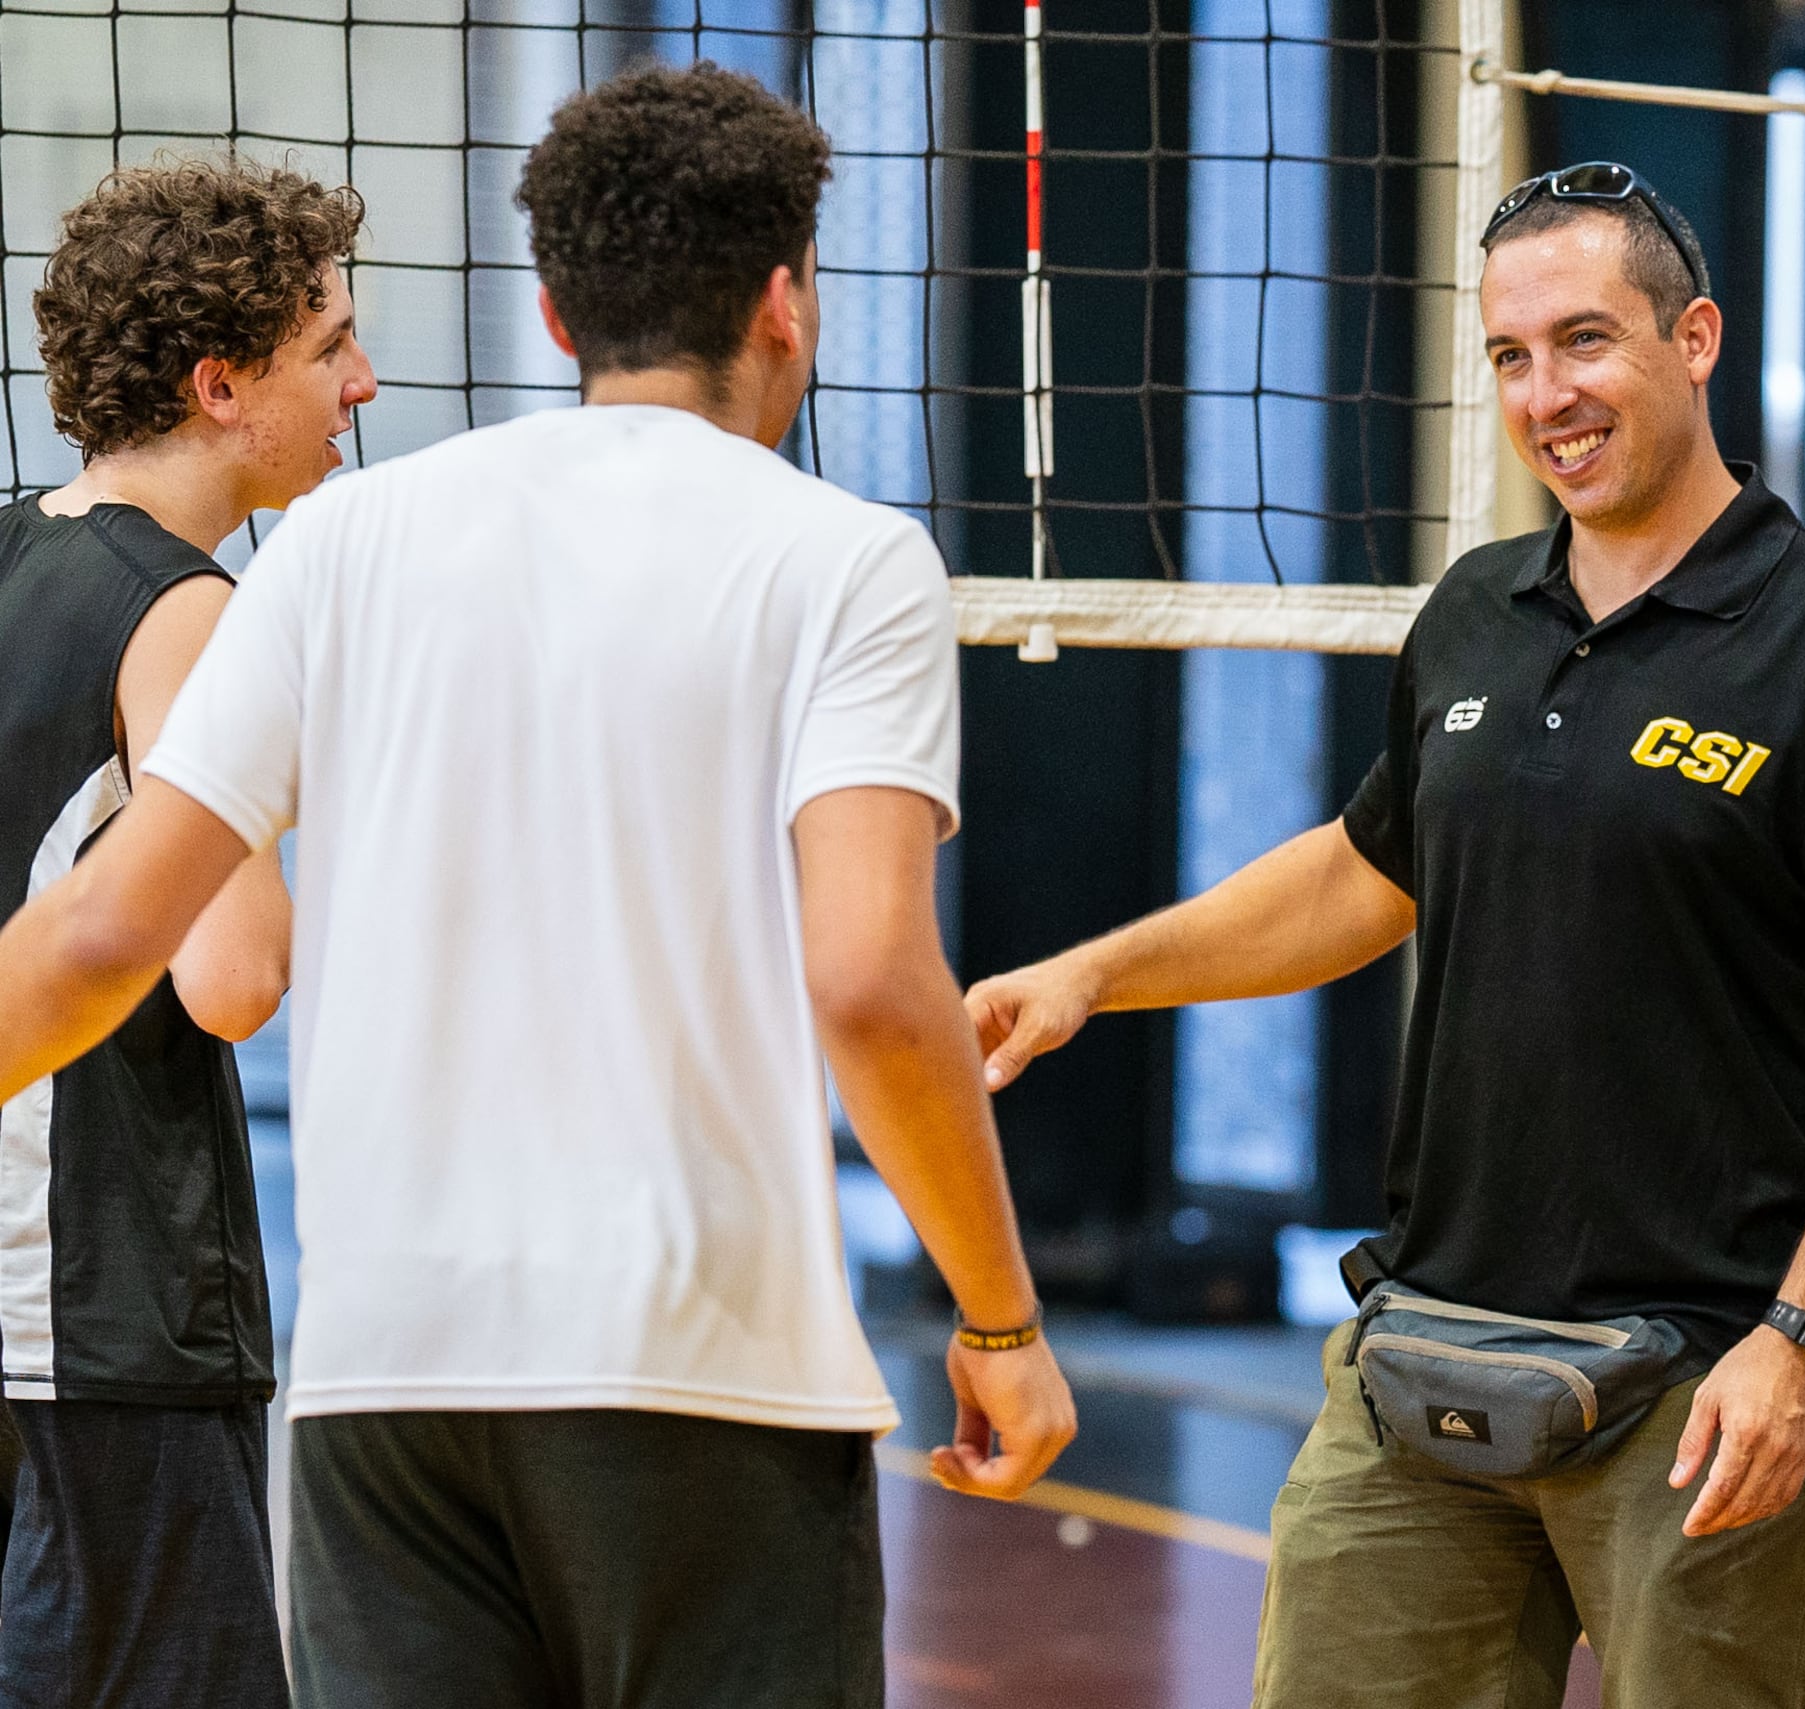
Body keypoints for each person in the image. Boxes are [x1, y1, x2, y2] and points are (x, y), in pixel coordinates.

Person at [0, 63, 1074, 1709]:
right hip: (705, 1369)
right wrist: (998, 1319)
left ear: (557, 315)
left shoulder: (346, 549)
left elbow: (90, 932)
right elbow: (866, 974)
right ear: (786, 300)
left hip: (385, 1386)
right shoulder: (850, 558)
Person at [967, 162, 1805, 1708]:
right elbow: (1356, 873)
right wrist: (1093, 974)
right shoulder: (1476, 612)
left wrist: (1801, 1340)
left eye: (1587, 340)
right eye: (1511, 355)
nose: (1549, 393)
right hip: (1423, 1358)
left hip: (1700, 1380)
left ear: (1697, 339)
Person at [0, 158, 370, 1709]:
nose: (362, 379)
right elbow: (232, 980)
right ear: (223, 384)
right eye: (328, 343)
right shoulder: (195, 614)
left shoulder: (13, 544)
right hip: (110, 1295)